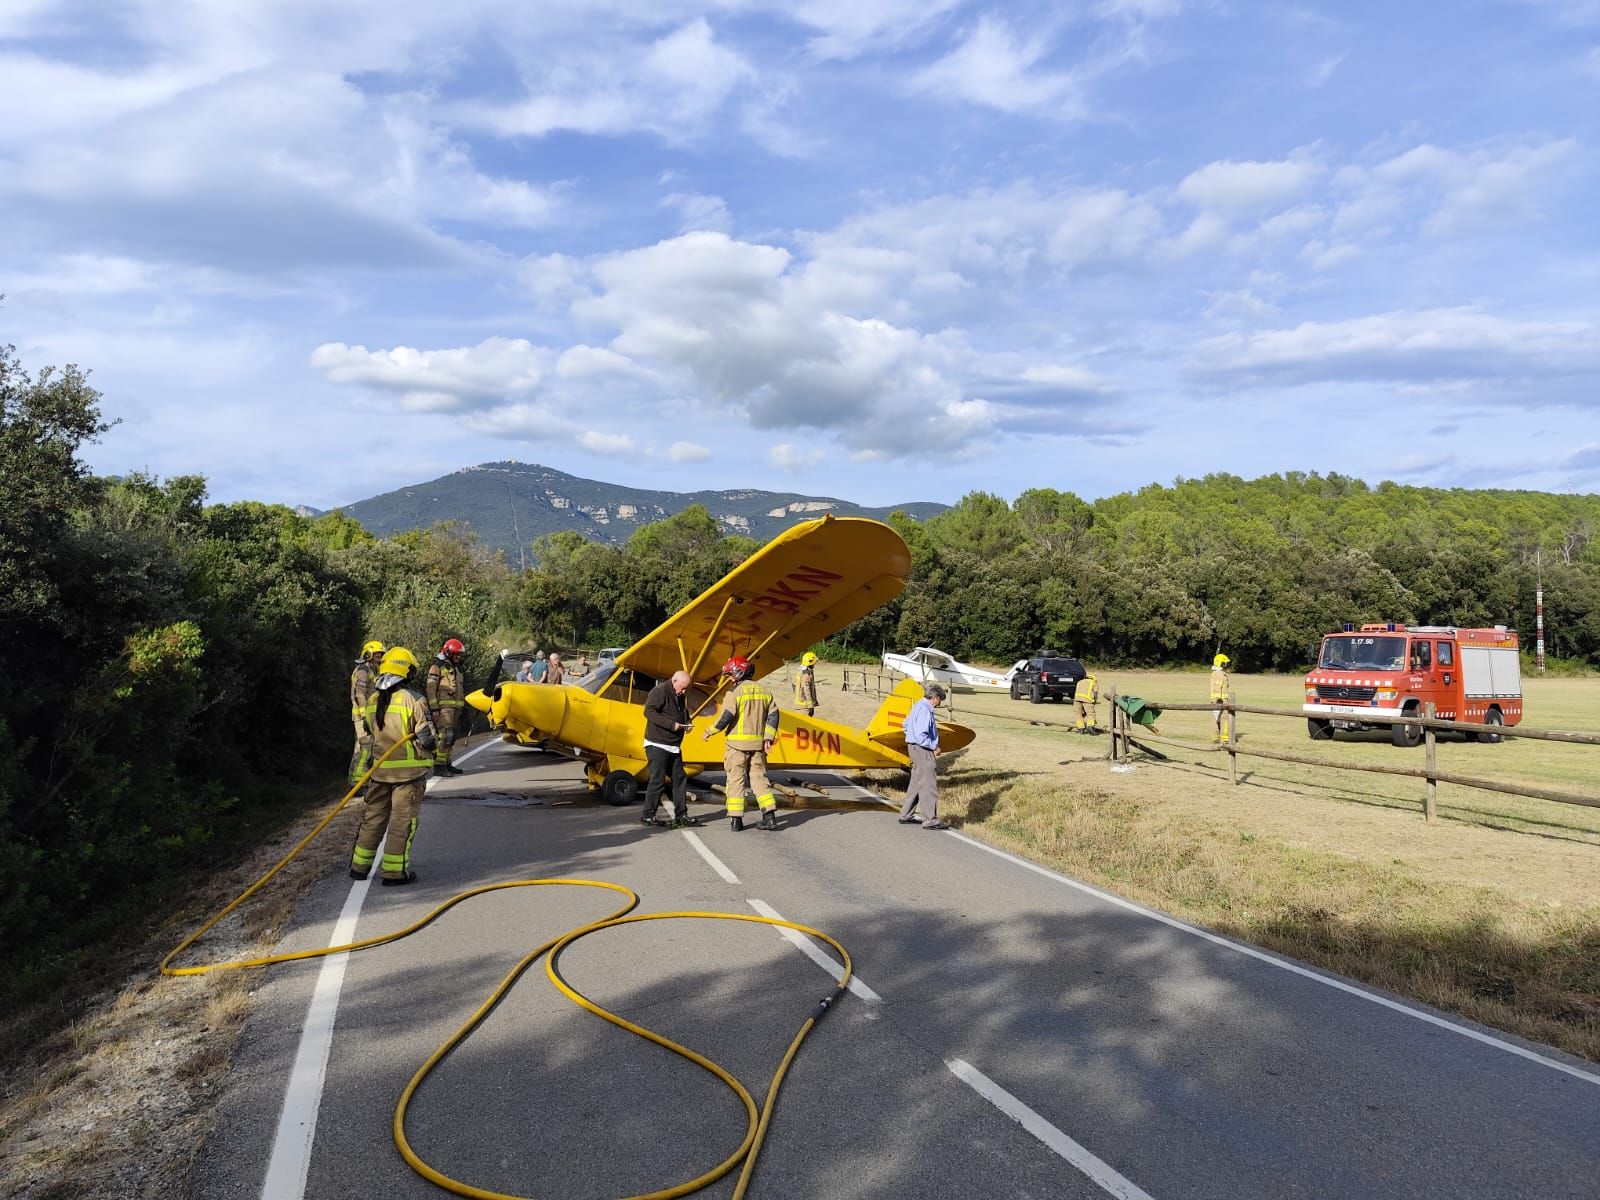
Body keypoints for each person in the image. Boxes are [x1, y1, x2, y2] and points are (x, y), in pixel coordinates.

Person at [351, 647, 437, 886]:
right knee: (401, 822)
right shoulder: (414, 699)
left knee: (374, 818)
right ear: (406, 672)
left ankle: (359, 867)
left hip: (379, 773)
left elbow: (369, 733)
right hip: (408, 777)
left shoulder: (372, 701)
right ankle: (393, 872)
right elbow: (427, 740)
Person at [704, 656, 780, 831]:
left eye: (730, 675)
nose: (730, 679)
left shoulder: (734, 693)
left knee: (735, 781)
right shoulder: (765, 691)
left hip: (736, 746)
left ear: (739, 672)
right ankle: (769, 817)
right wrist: (768, 738)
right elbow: (774, 716)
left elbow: (726, 717)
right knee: (760, 780)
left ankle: (736, 821)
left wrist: (710, 731)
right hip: (758, 746)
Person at [641, 670, 701, 828]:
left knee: (680, 778)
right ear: (674, 681)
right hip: (657, 744)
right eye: (681, 688)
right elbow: (648, 711)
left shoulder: (680, 694)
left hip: (673, 746)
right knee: (658, 780)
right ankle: (648, 816)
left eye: (685, 689)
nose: (683, 692)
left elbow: (682, 712)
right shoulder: (659, 692)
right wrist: (672, 725)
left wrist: (686, 723)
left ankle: (682, 815)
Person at [898, 683, 948, 829]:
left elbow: (905, 724)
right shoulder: (926, 709)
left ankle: (906, 814)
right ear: (935, 697)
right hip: (922, 749)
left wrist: (911, 738)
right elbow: (921, 735)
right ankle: (930, 820)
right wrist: (934, 746)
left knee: (916, 782)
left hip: (913, 748)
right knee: (928, 784)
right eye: (939, 700)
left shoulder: (917, 705)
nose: (939, 704)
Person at [426, 639, 467, 776]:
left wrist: (461, 708)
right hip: (443, 709)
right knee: (445, 736)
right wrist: (434, 709)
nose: (458, 657)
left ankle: (447, 763)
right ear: (449, 652)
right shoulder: (437, 667)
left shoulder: (455, 668)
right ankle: (439, 766)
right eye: (456, 654)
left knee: (452, 737)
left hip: (454, 709)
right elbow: (431, 689)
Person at [348, 639, 386, 784]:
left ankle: (357, 781)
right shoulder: (363, 671)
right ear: (368, 654)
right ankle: (359, 783)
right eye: (377, 655)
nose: (380, 658)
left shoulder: (369, 670)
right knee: (365, 749)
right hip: (362, 716)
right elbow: (360, 694)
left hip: (366, 716)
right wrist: (365, 716)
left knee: (361, 749)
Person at [1210, 652, 1231, 743]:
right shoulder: (1219, 674)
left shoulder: (1219, 673)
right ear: (1221, 663)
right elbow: (1217, 687)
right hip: (1220, 700)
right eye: (1224, 663)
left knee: (1218, 719)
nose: (1226, 664)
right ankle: (1223, 738)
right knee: (1221, 718)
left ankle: (1218, 737)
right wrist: (1219, 699)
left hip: (1221, 700)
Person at [793, 651, 819, 717]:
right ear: (810, 662)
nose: (814, 664)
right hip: (804, 707)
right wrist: (810, 706)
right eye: (814, 663)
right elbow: (806, 690)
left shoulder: (801, 672)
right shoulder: (806, 675)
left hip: (800, 705)